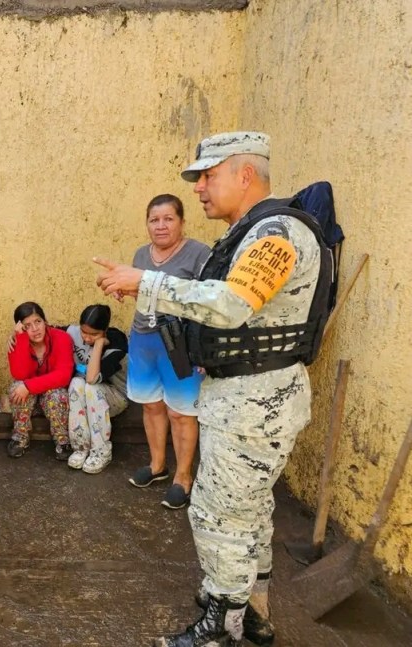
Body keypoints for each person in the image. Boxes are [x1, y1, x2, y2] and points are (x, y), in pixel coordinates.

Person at [96, 132, 326, 647]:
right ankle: (253, 611)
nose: (199, 187)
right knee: (249, 512)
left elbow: (232, 303)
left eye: (208, 175)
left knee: (220, 514)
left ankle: (222, 624)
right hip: (244, 396)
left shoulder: (277, 233)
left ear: (245, 175)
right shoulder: (248, 232)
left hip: (255, 402)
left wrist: (146, 283)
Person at [126, 195, 211, 509]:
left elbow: (210, 301)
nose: (160, 226)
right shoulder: (140, 254)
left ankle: (183, 478)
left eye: (168, 219)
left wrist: (203, 350)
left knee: (181, 412)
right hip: (143, 339)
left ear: (182, 222)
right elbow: (143, 293)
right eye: (154, 220)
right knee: (151, 406)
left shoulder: (199, 253)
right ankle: (157, 465)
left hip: (179, 343)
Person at [65, 304, 128, 474]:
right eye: (84, 332)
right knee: (76, 383)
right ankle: (80, 447)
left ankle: (101, 451)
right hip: (86, 395)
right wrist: (17, 334)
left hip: (116, 397)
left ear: (105, 330)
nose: (87, 338)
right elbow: (45, 331)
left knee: (92, 388)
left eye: (94, 334)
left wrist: (99, 344)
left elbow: (92, 378)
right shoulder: (72, 332)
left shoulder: (117, 343)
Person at [6, 302, 74, 460]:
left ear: (45, 321)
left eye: (38, 321)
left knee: (57, 394)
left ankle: (62, 440)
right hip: (29, 402)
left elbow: (64, 375)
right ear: (21, 328)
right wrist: (21, 339)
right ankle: (20, 437)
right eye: (27, 326)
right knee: (17, 387)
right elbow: (20, 374)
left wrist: (30, 386)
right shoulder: (17, 341)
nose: (35, 329)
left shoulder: (61, 338)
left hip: (52, 399)